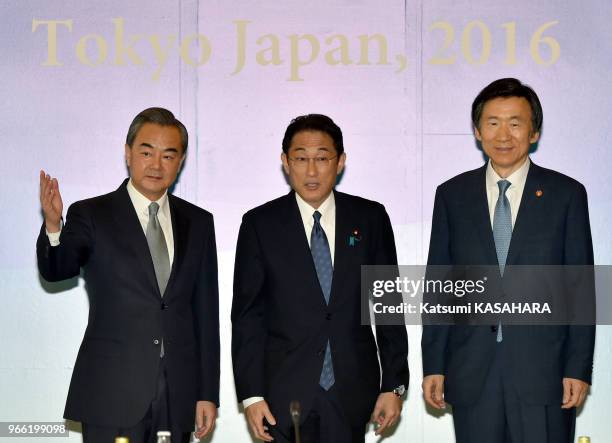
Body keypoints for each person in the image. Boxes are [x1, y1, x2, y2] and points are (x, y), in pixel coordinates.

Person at [422, 78, 595, 442]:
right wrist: (434, 364)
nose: (504, 134)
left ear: (533, 132)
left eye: (515, 123)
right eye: (493, 122)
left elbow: (581, 289)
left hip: (544, 372)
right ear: (477, 131)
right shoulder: (452, 195)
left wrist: (578, 367)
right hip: (471, 370)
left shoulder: (566, 195)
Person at [37, 107, 220, 443]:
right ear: (128, 153)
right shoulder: (92, 214)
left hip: (176, 393)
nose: (156, 164)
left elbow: (205, 313)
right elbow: (58, 268)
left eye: (168, 155)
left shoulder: (198, 222)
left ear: (180, 161)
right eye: (146, 152)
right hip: (111, 391)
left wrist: (207, 392)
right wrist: (53, 226)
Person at [231, 114, 409, 443]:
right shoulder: (260, 224)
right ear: (286, 162)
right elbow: (247, 317)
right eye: (301, 158)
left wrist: (393, 385)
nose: (311, 171)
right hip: (283, 394)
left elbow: (388, 309)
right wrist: (252, 396)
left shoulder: (370, 218)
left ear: (340, 161)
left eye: (322, 158)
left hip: (352, 391)